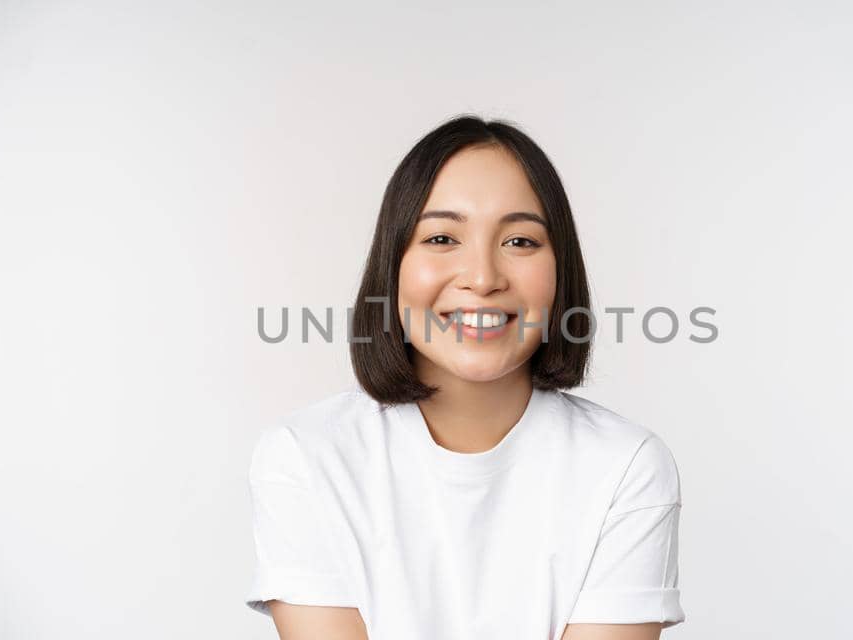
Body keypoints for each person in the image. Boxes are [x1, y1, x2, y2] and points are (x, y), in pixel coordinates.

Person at [243, 115, 685, 640]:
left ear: (560, 271)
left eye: (520, 241)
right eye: (442, 237)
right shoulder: (306, 456)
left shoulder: (625, 467)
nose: (482, 278)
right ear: (394, 266)